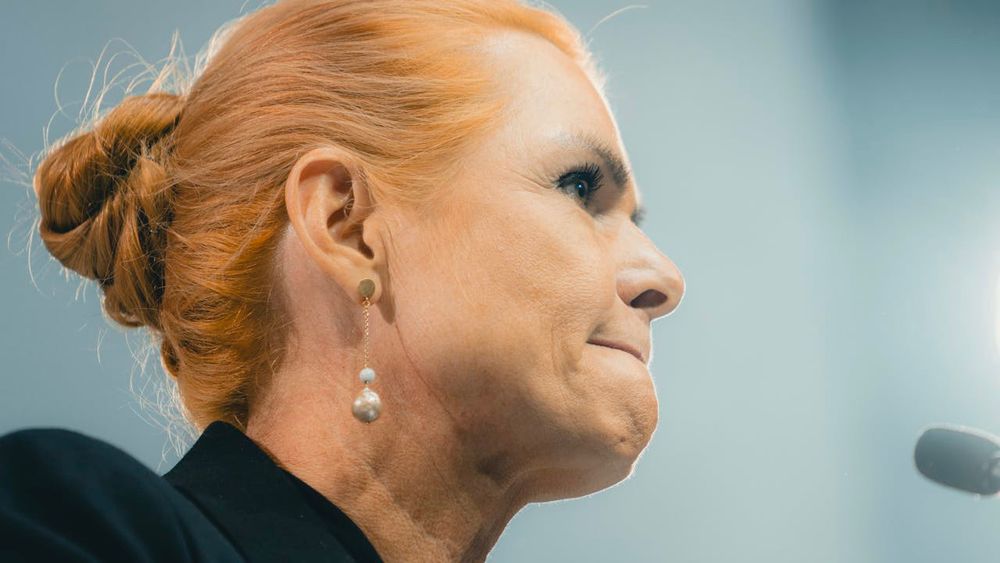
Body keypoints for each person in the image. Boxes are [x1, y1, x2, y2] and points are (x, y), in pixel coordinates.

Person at [0, 0, 685, 561]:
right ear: (346, 225)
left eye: (634, 220)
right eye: (580, 188)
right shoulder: (85, 534)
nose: (664, 277)